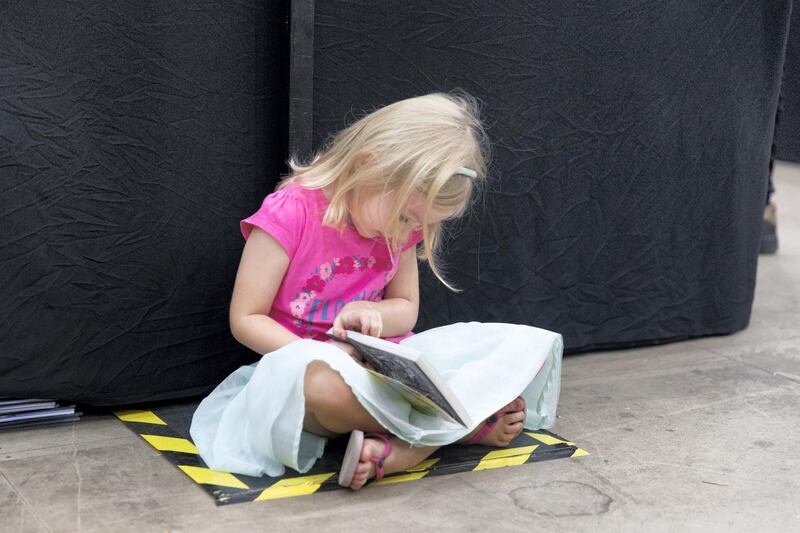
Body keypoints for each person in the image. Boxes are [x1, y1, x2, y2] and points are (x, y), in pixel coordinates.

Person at [189, 91, 563, 491]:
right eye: (404, 217)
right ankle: (454, 430)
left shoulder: (399, 228)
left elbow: (406, 308)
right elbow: (246, 319)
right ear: (369, 165)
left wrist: (376, 315)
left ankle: (412, 440)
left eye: (416, 225)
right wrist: (320, 353)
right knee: (321, 386)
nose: (405, 234)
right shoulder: (291, 213)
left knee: (522, 347)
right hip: (306, 373)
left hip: (387, 371)